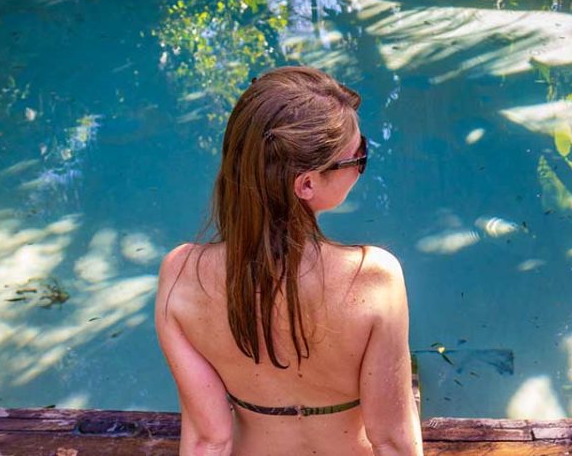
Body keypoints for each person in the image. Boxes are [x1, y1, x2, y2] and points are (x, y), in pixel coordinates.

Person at [155, 67, 423, 456]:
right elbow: (392, 440)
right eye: (358, 156)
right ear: (307, 184)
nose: (362, 164)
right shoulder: (374, 279)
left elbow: (208, 440)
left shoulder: (181, 276)